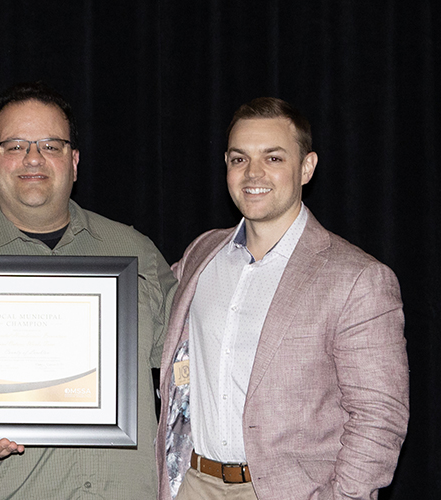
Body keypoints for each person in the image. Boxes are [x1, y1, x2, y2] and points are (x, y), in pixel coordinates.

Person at [0, 82, 178, 499]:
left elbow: (191, 368)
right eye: (14, 146)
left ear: (74, 162)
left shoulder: (136, 253)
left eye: (50, 145)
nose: (32, 158)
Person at [156, 97, 409, 500]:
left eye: (273, 158)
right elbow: (138, 314)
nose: (253, 173)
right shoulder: (202, 254)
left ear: (306, 167)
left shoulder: (358, 279)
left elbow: (379, 418)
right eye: (239, 159)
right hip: (193, 484)